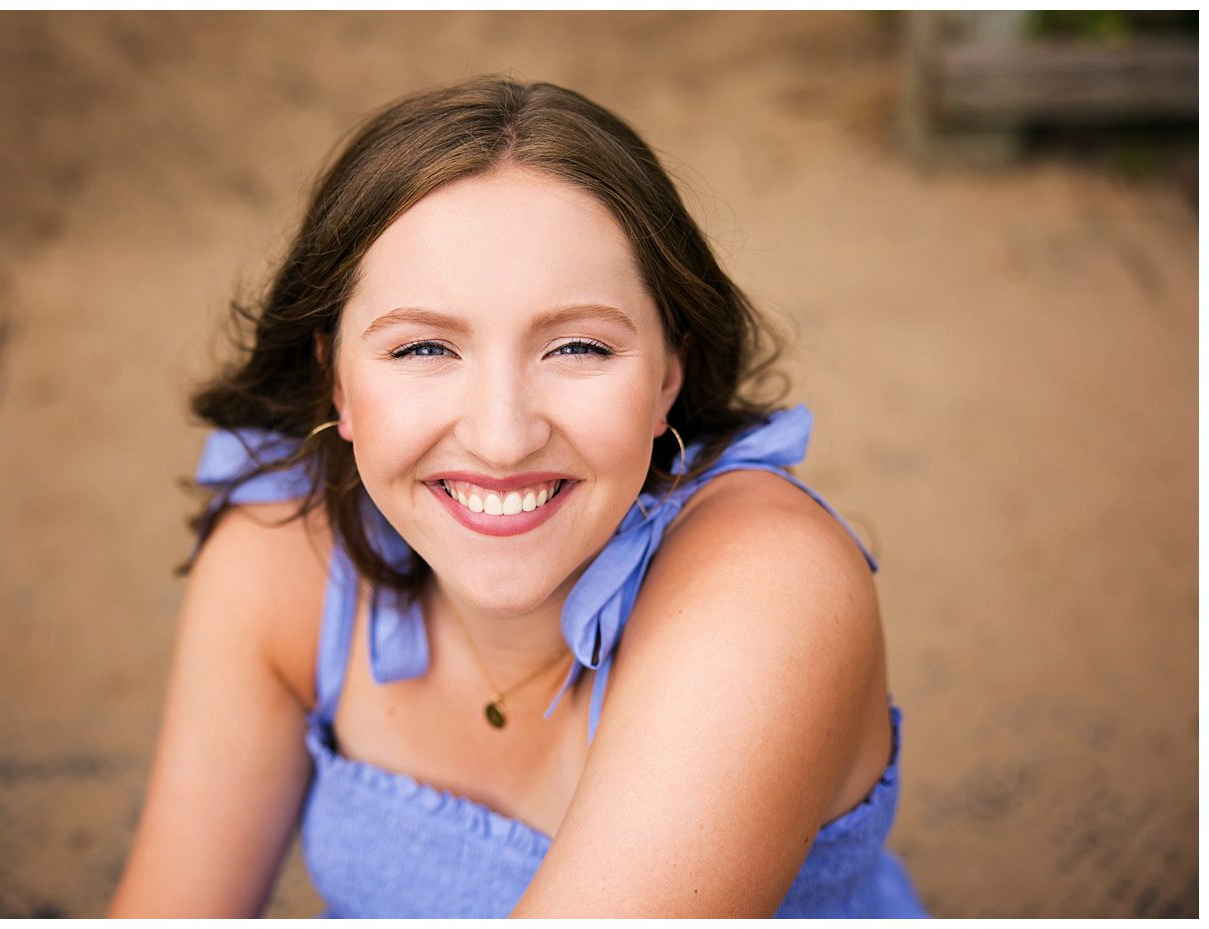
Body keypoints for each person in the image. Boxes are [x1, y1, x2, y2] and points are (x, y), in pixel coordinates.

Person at [111, 78, 927, 917]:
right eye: (424, 347)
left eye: (577, 345)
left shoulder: (771, 586)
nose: (503, 438)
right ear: (336, 380)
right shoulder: (280, 546)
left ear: (667, 375)